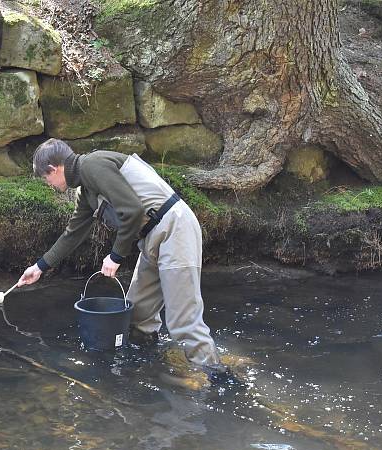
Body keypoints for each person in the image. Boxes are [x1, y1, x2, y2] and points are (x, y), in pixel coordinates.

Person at [17, 139, 234, 384]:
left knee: (182, 321)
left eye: (46, 178)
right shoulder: (85, 190)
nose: (49, 184)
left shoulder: (92, 165)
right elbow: (73, 233)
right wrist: (39, 267)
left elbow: (132, 210)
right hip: (151, 238)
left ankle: (221, 380)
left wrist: (116, 256)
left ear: (54, 169)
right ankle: (151, 366)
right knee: (137, 313)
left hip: (175, 230)